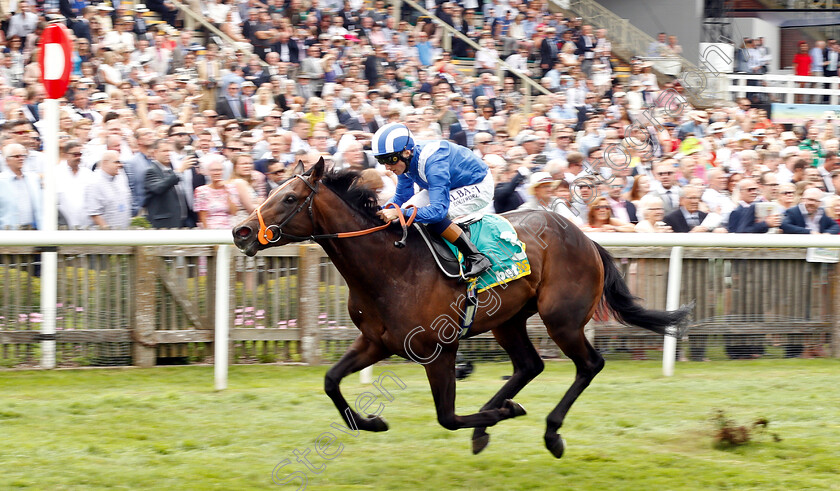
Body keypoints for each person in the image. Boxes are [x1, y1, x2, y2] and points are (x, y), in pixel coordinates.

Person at [372, 122, 492, 278]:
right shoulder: (404, 161)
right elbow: (403, 196)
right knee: (410, 208)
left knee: (427, 217)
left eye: (390, 159)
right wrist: (381, 210)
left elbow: (438, 211)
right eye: (382, 161)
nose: (387, 167)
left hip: (477, 184)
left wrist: (398, 212)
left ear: (407, 152)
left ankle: (476, 257)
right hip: (451, 184)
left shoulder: (433, 164)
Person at [85, 150, 132, 229]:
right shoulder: (94, 182)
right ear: (105, 163)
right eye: (116, 162)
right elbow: (94, 214)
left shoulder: (121, 176)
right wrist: (108, 232)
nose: (120, 165)